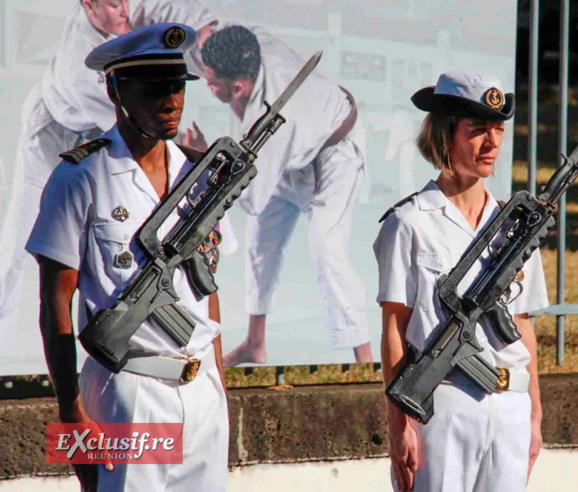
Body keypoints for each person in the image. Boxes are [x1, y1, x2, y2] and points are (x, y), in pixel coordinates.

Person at [26, 23, 234, 491]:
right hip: (129, 392)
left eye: (178, 86)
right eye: (154, 88)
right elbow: (55, 302)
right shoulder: (81, 175)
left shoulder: (200, 176)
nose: (172, 101)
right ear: (116, 88)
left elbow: (208, 288)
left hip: (202, 393)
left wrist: (220, 387)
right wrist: (71, 417)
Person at [374, 71, 546, 492]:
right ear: (445, 136)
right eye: (477, 131)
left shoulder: (515, 226)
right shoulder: (409, 223)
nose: (492, 144)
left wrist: (535, 415)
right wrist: (400, 424)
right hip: (444, 403)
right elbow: (395, 327)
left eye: (498, 130)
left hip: (510, 406)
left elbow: (523, 325)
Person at [0, 0, 216, 333]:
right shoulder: (82, 72)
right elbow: (139, 129)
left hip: (106, 123)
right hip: (53, 131)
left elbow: (185, 16)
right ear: (88, 6)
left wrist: (207, 34)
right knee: (21, 237)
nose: (125, 11)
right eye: (114, 5)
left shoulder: (125, 8)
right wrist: (196, 157)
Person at [187, 24, 372, 364]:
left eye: (211, 82)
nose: (206, 83)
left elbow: (253, 201)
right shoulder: (255, 45)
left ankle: (364, 357)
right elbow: (237, 34)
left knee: (326, 246)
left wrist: (205, 157)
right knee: (261, 244)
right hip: (297, 150)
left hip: (335, 153)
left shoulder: (270, 122)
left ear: (238, 86)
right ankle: (255, 344)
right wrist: (201, 40)